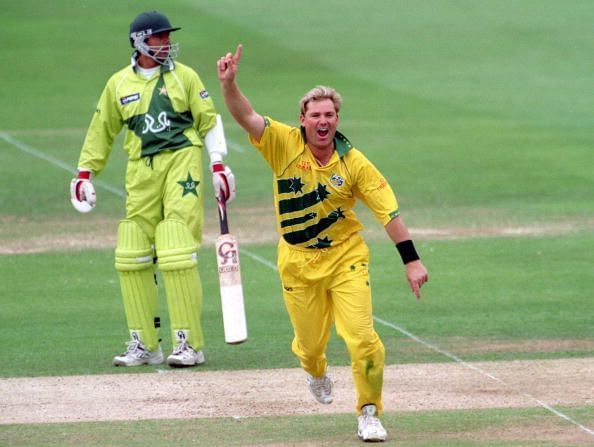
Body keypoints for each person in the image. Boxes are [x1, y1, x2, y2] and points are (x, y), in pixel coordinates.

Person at [216, 44, 429, 442]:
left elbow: (389, 212)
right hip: (297, 262)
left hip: (346, 257)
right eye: (315, 115)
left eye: (329, 114)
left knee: (363, 338)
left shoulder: (354, 162)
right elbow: (245, 115)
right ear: (303, 120)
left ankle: (369, 411)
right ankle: (315, 372)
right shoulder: (282, 142)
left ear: (337, 119)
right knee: (312, 348)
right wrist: (229, 84)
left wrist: (411, 261)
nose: (323, 121)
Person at [70, 11, 236, 368]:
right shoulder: (118, 84)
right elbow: (101, 129)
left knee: (175, 245)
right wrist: (84, 173)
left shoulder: (185, 76)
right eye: (159, 37)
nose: (166, 43)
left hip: (181, 163)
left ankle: (189, 343)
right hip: (139, 171)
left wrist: (219, 164)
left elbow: (209, 120)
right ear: (140, 42)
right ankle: (145, 343)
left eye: (166, 37)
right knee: (133, 250)